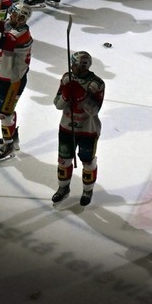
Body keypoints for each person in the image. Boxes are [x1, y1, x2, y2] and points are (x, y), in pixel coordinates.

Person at [52, 50, 106, 206]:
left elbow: (94, 110)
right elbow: (57, 105)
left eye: (79, 65)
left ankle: (87, 191)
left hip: (88, 130)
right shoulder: (66, 78)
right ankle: (63, 189)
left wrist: (82, 96)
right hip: (67, 127)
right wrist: (65, 94)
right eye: (74, 64)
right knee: (64, 160)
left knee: (88, 162)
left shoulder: (97, 84)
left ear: (86, 66)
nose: (75, 67)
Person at [0, 1, 33, 162]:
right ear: (11, 13)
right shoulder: (10, 26)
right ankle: (11, 136)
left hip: (13, 80)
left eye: (22, 17)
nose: (18, 19)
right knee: (5, 112)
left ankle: (9, 144)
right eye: (16, 15)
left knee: (3, 113)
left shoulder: (21, 34)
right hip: (3, 74)